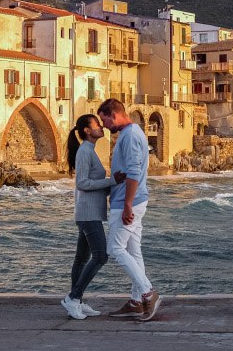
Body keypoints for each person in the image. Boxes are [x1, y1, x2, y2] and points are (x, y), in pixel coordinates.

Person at [97, 98, 161, 322]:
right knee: (134, 251)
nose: (104, 126)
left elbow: (134, 172)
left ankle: (147, 292)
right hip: (132, 199)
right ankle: (136, 301)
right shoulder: (129, 133)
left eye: (104, 120)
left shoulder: (131, 135)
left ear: (113, 115)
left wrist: (126, 204)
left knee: (114, 248)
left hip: (128, 201)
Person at [61, 114, 126, 320]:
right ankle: (73, 298)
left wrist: (112, 186)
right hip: (88, 215)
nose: (101, 127)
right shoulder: (84, 152)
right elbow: (83, 183)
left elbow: (92, 186)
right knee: (100, 256)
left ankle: (76, 302)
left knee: (81, 260)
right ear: (88, 131)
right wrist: (112, 182)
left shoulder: (89, 150)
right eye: (96, 124)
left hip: (88, 212)